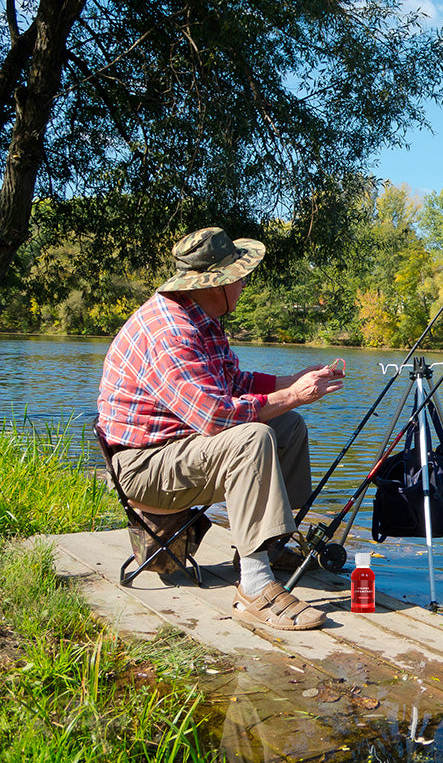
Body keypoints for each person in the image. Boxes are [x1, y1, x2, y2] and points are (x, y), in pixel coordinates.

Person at [97, 226, 344, 631]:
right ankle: (255, 587)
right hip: (143, 470)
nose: (245, 283)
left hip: (177, 451)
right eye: (240, 276)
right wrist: (296, 394)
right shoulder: (170, 332)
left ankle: (269, 545)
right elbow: (216, 417)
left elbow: (231, 382)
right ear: (218, 285)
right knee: (252, 437)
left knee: (288, 426)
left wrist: (291, 382)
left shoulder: (201, 317)